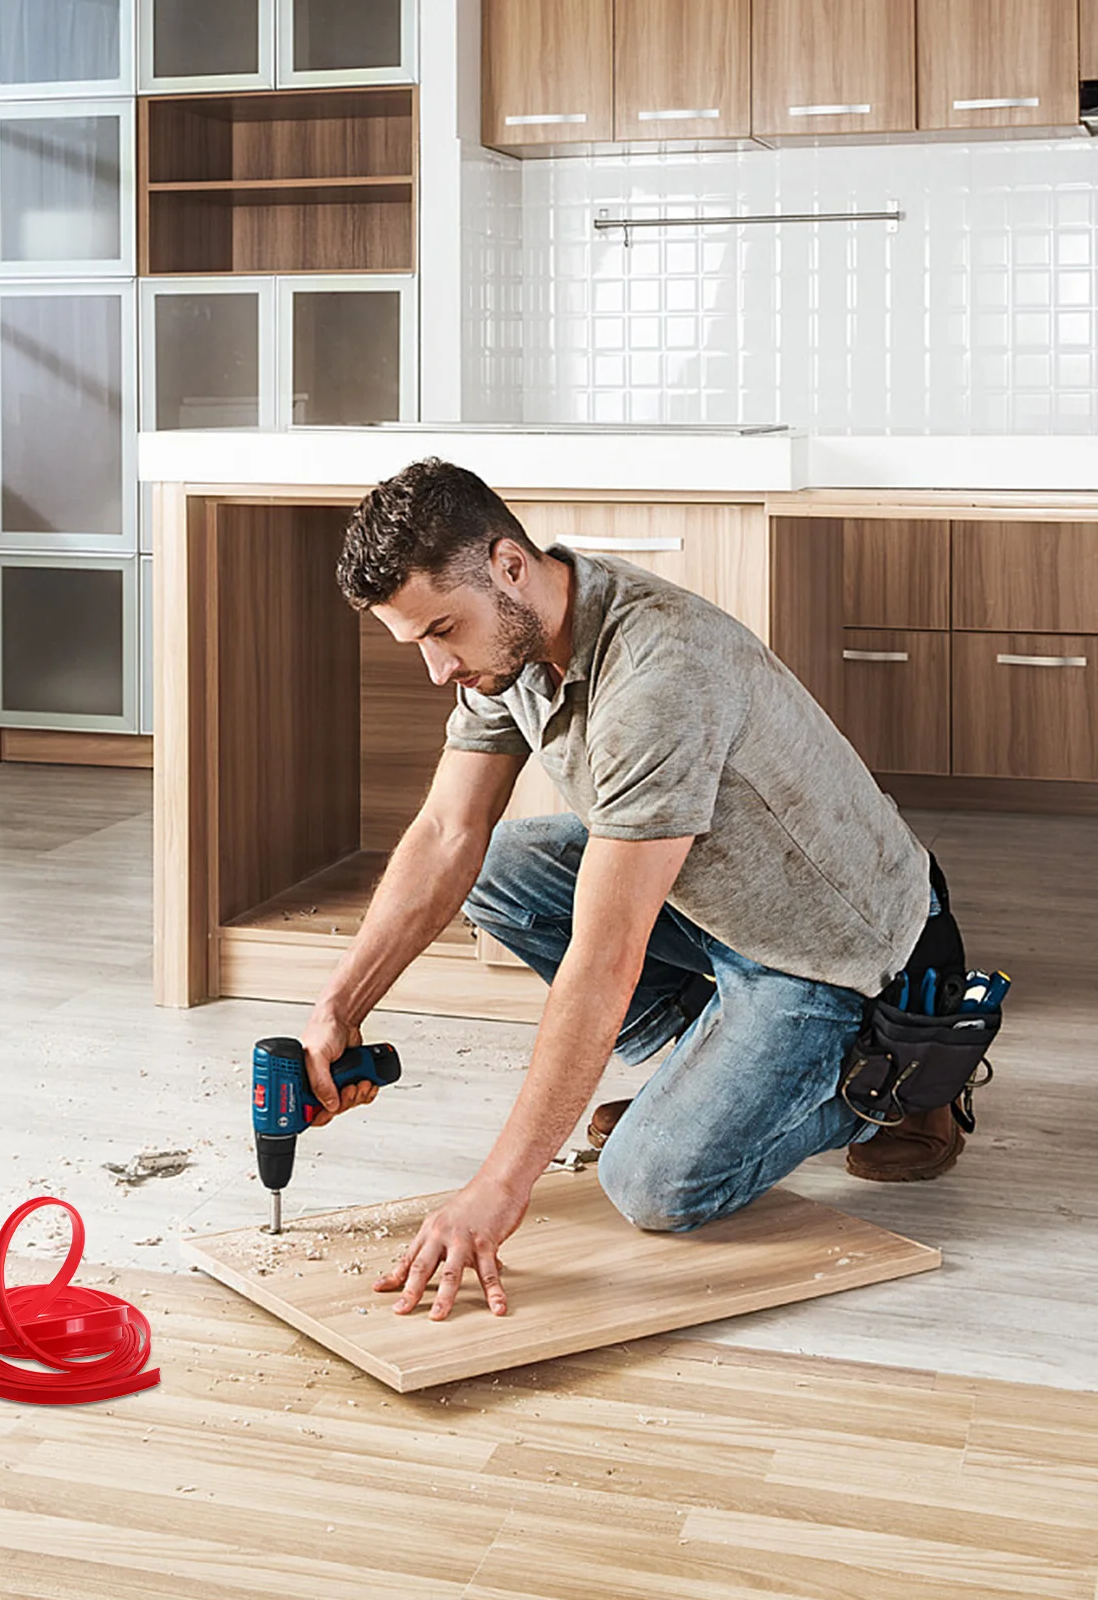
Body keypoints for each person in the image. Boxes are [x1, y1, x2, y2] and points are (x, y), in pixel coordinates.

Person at [299, 457, 963, 1324]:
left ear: (507, 566)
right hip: (712, 901)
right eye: (419, 639)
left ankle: (901, 1082)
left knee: (653, 1183)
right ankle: (722, 1066)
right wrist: (341, 1006)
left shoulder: (658, 673)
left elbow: (604, 959)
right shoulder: (513, 638)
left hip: (829, 950)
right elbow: (446, 836)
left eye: (442, 631)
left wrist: (499, 1188)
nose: (435, 668)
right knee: (500, 870)